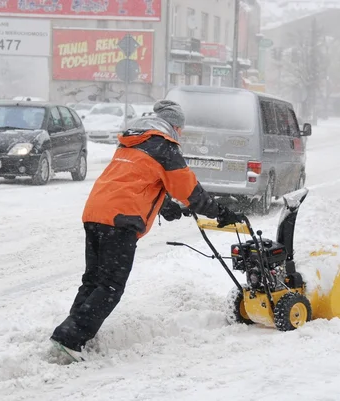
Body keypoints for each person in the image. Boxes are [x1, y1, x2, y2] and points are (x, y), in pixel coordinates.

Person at [50, 99, 241, 361]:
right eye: (180, 129)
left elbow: (136, 180)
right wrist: (220, 212)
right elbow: (189, 190)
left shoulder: (133, 141)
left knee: (93, 280)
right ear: (174, 125)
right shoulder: (165, 146)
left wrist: (165, 206)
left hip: (96, 213)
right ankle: (71, 338)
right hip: (121, 220)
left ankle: (71, 334)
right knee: (111, 286)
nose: (180, 134)